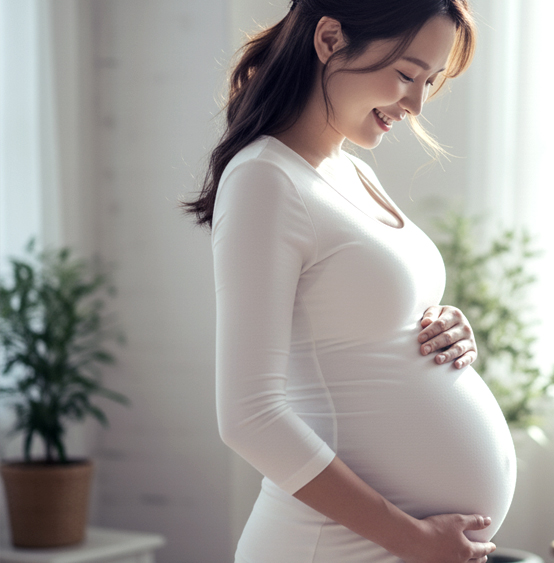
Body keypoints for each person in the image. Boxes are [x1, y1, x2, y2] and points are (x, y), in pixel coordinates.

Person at [182, 1, 516, 562]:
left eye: (430, 81)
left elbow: (362, 325)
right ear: (330, 38)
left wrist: (446, 327)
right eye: (406, 75)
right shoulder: (264, 177)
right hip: (333, 548)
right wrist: (411, 539)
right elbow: (249, 418)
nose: (416, 104)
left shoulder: (349, 167)